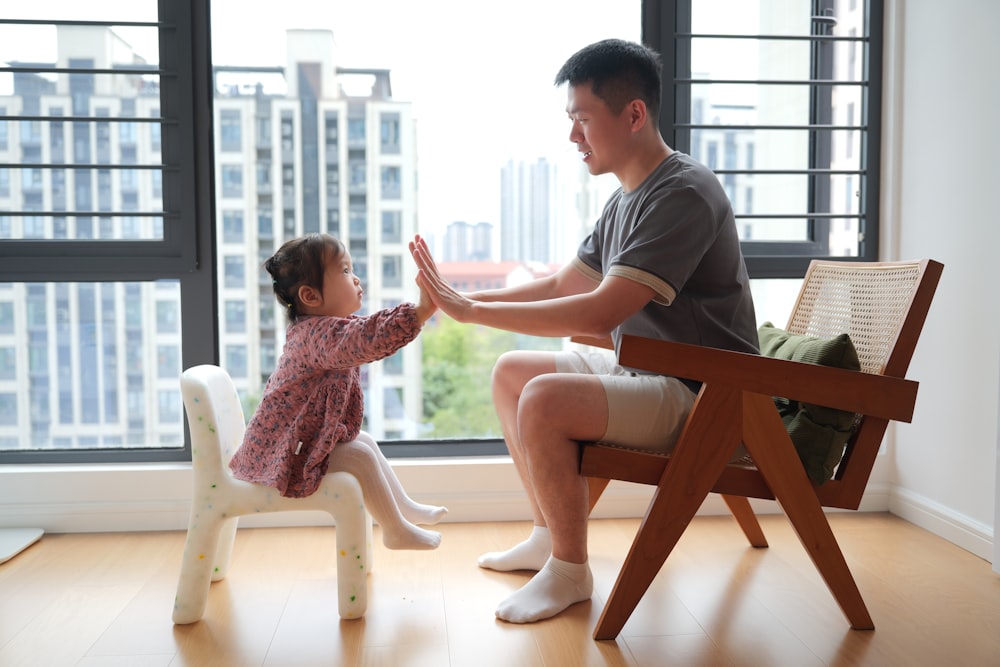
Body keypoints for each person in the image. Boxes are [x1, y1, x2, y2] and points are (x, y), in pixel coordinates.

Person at [409, 38, 758, 622]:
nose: (573, 136)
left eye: (582, 120)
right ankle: (550, 538)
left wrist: (472, 312)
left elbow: (598, 313)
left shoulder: (684, 192)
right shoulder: (626, 199)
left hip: (706, 395)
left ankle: (571, 571)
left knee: (543, 399)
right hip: (649, 370)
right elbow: (559, 285)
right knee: (511, 373)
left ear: (634, 115)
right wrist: (460, 302)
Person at [230, 232, 447, 550]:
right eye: (345, 271)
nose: (356, 278)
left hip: (295, 442)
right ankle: (395, 529)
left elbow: (364, 330)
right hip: (285, 454)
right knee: (358, 454)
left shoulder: (323, 331)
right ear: (311, 296)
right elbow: (367, 337)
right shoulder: (317, 336)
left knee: (365, 442)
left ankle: (404, 508)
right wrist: (418, 313)